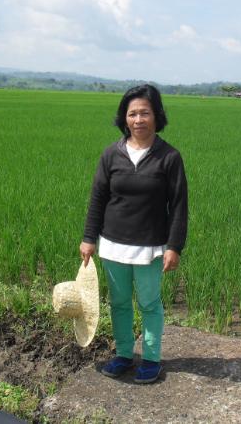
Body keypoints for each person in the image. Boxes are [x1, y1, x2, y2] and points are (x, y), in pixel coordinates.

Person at [80, 84, 188, 384]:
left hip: (150, 246)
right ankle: (124, 354)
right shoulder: (111, 155)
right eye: (132, 114)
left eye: (145, 113)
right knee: (119, 303)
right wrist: (89, 238)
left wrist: (174, 246)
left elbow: (179, 205)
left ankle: (151, 358)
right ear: (124, 118)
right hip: (113, 244)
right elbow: (98, 198)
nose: (138, 120)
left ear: (156, 116)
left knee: (150, 303)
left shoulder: (169, 157)